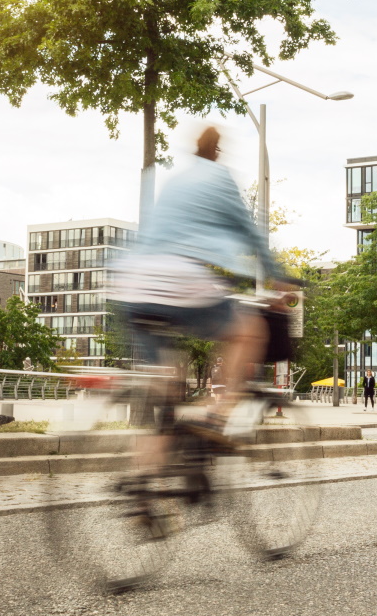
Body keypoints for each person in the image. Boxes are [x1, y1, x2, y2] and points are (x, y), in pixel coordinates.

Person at [112, 125, 290, 440]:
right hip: (180, 278)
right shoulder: (220, 178)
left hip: (134, 283)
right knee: (249, 332)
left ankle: (146, 476)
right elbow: (251, 233)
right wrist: (276, 278)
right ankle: (214, 416)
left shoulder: (176, 181)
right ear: (217, 151)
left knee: (164, 383)